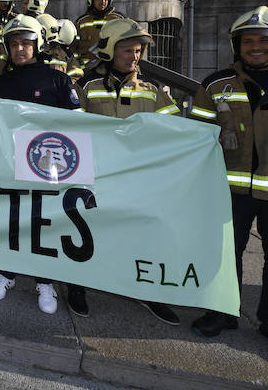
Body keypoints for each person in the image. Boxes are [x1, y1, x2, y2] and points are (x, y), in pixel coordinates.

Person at [189, 6, 268, 368]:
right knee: (225, 257)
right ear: (236, 45)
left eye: (264, 40)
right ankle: (224, 312)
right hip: (228, 191)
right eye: (248, 40)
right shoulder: (216, 84)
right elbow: (196, 137)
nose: (255, 46)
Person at [71, 19, 180, 325]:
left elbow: (175, 132)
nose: (134, 57)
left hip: (137, 179)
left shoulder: (154, 90)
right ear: (108, 50)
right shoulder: (86, 87)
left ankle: (146, 291)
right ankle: (77, 287)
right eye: (127, 50)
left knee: (140, 237)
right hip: (97, 176)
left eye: (138, 50)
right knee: (86, 233)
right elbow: (73, 131)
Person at [0, 15, 79, 314]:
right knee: (11, 220)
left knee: (43, 224)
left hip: (47, 167)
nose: (19, 49)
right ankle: (7, 272)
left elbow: (77, 124)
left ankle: (45, 281)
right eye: (13, 44)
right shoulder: (0, 83)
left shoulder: (57, 79)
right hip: (9, 163)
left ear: (37, 44)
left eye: (26, 43)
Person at [74, 0, 124, 66]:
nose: (103, 2)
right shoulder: (81, 22)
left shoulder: (119, 20)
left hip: (112, 68)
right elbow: (73, 48)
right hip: (87, 70)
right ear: (91, 0)